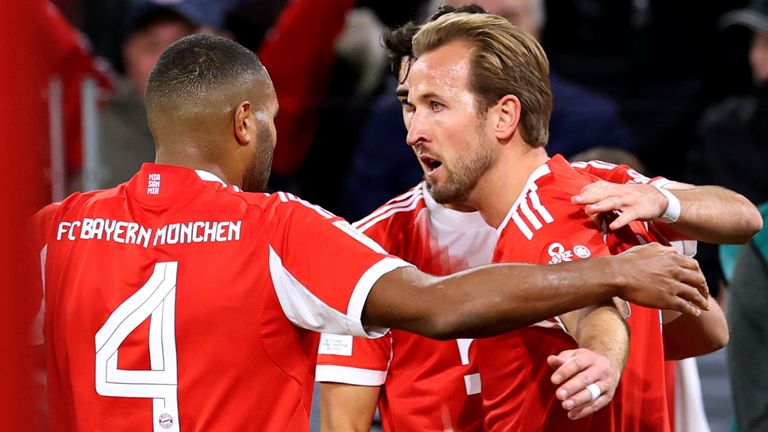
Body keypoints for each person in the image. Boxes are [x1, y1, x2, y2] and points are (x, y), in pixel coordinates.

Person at [30, 34, 711, 431]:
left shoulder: (54, 231)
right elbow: (439, 305)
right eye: (270, 121)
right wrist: (610, 272)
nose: (273, 138)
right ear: (243, 123)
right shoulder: (279, 228)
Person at [318, 6, 762, 432]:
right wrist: (621, 290)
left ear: (504, 115)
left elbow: (644, 317)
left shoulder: (592, 196)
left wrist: (605, 353)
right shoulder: (371, 244)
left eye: (436, 105)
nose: (412, 132)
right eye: (409, 105)